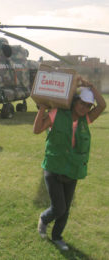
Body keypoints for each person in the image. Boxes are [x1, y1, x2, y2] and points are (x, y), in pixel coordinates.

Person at [33, 77, 106, 251]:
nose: (85, 108)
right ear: (74, 101)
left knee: (65, 210)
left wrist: (92, 86)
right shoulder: (58, 113)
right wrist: (43, 106)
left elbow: (102, 106)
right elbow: (37, 129)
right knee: (59, 207)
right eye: (82, 103)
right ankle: (44, 219)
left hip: (73, 168)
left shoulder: (85, 120)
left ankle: (57, 237)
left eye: (88, 105)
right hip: (53, 165)